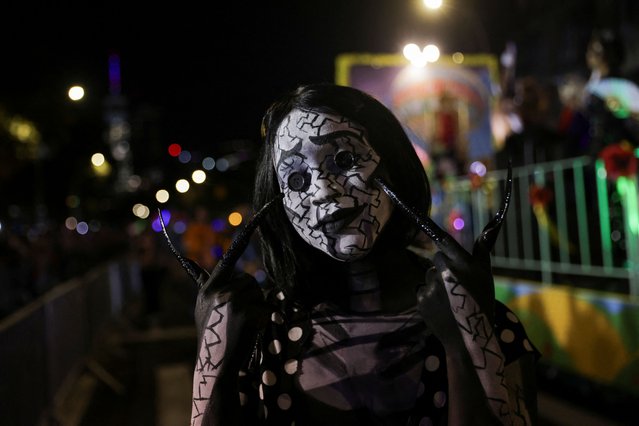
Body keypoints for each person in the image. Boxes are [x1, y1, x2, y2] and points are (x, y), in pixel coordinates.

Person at [168, 83, 539, 425]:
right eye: (297, 180)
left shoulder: (487, 321)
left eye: (344, 160)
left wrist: (468, 340)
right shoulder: (261, 335)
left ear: (393, 164)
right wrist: (214, 358)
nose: (324, 191)